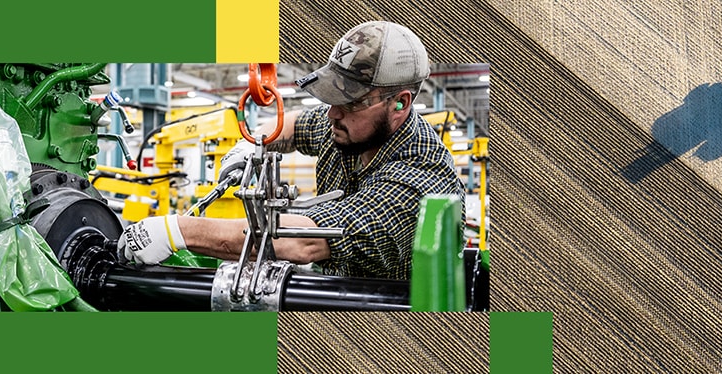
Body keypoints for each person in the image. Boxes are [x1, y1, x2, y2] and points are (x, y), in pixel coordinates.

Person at [116, 21, 465, 280]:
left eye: (350, 102)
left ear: (400, 103)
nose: (333, 113)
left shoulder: (421, 180)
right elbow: (295, 124)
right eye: (332, 98)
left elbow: (301, 242)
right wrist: (252, 144)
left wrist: (178, 231)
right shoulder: (349, 127)